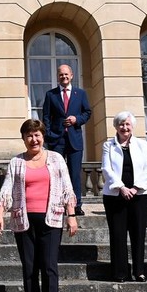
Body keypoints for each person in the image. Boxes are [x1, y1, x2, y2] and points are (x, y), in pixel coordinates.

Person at [0, 119, 78, 292]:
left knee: (49, 267)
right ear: (24, 139)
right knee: (29, 269)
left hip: (52, 219)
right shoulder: (16, 162)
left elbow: (68, 189)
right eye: (29, 135)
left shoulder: (56, 159)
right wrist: (0, 214)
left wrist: (71, 216)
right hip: (23, 221)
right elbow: (6, 189)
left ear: (43, 137)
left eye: (37, 135)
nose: (34, 139)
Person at [101, 111, 147, 283]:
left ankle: (139, 271)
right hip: (115, 195)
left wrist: (136, 187)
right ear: (116, 127)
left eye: (127, 124)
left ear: (132, 126)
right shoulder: (108, 145)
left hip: (139, 195)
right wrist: (122, 187)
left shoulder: (142, 145)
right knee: (118, 234)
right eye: (121, 124)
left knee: (138, 233)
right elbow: (106, 169)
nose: (124, 127)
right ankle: (120, 272)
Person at [42, 64, 91, 216]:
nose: (63, 77)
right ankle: (57, 204)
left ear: (71, 75)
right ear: (58, 77)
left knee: (74, 174)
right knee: (56, 174)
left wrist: (77, 119)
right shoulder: (51, 95)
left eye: (66, 74)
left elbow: (87, 112)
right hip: (56, 140)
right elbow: (46, 117)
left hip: (74, 140)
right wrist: (49, 135)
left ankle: (76, 205)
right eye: (61, 75)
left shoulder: (80, 94)